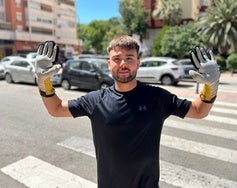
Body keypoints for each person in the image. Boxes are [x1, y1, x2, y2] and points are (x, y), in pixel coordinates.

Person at [35, 35, 220, 188]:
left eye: (129, 58)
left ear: (138, 63)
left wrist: (211, 87)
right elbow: (56, 109)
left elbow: (198, 111)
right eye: (117, 59)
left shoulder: (157, 97)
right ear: (109, 63)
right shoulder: (95, 100)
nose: (123, 64)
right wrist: (43, 82)